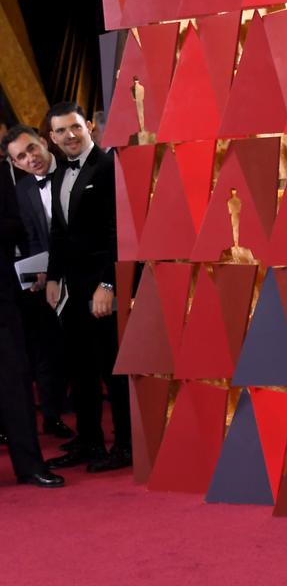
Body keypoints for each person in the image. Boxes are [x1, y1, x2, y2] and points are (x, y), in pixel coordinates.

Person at [43, 103, 131, 473]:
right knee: (79, 367)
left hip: (102, 285)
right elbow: (59, 234)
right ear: (52, 137)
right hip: (71, 290)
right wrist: (51, 276)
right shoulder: (61, 171)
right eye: (61, 131)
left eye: (75, 128)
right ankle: (90, 440)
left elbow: (119, 231)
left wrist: (109, 283)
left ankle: (127, 445)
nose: (70, 136)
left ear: (89, 126)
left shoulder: (109, 166)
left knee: (113, 367)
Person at [3, 125, 74, 440]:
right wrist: (40, 273)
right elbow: (32, 238)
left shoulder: (73, 172)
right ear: (15, 164)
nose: (30, 159)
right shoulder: (23, 191)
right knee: (48, 352)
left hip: (84, 276)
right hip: (48, 281)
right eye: (21, 157)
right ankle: (52, 415)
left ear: (44, 142)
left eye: (32, 149)